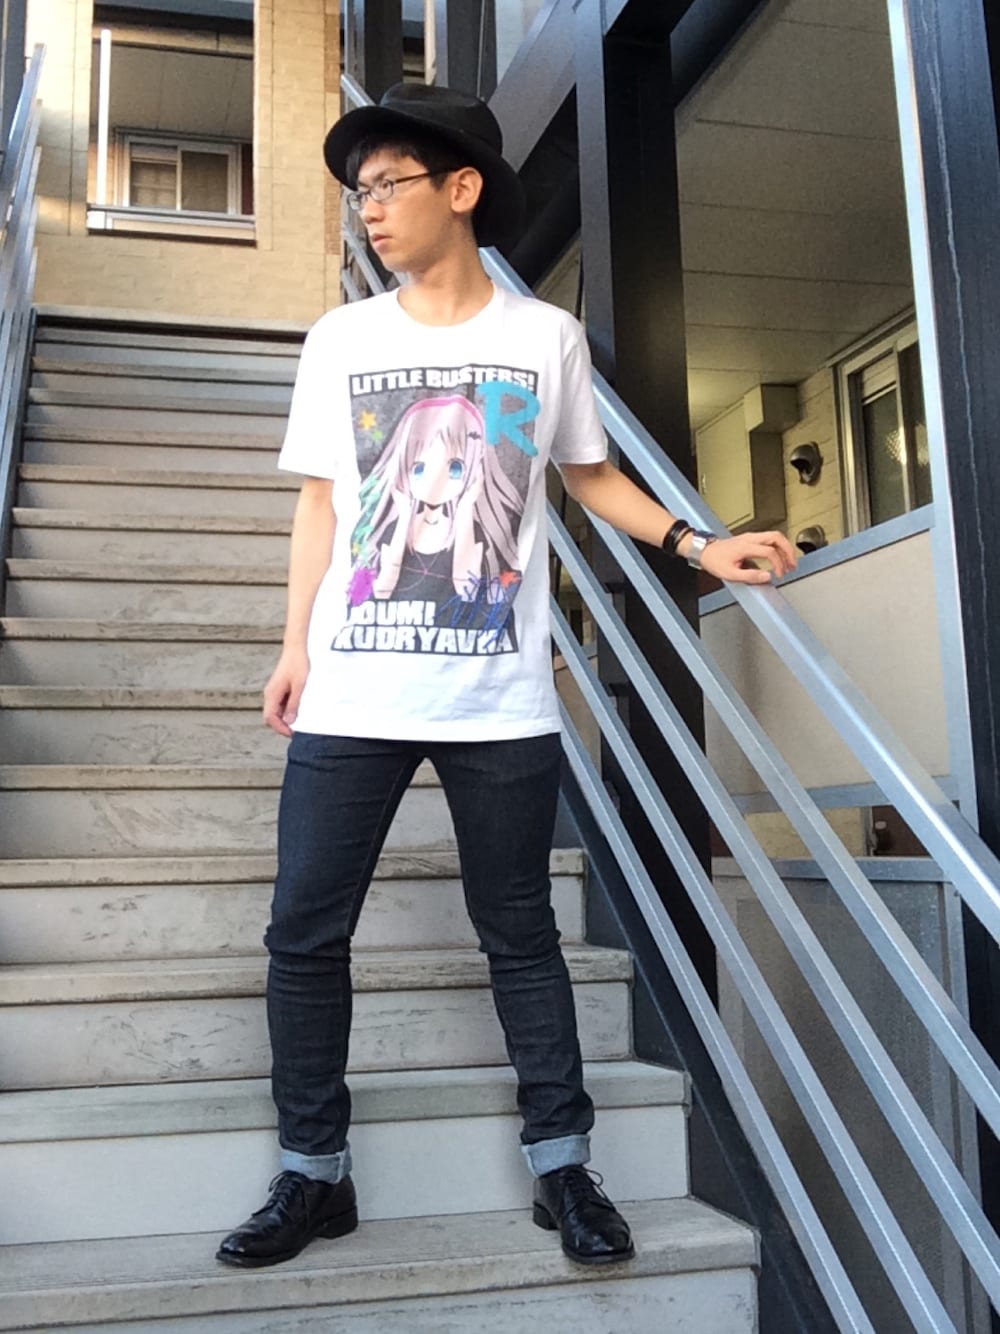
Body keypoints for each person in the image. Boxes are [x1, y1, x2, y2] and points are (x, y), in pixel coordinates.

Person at [216, 81, 796, 1271]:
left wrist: (698, 544)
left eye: (388, 184)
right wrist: (293, 646)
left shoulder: (543, 341)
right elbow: (322, 502)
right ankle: (313, 1172)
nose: (370, 209)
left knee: (520, 932)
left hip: (500, 698)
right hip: (355, 690)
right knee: (304, 932)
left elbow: (587, 476)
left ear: (462, 187)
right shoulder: (342, 341)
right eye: (359, 192)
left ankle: (563, 1164)